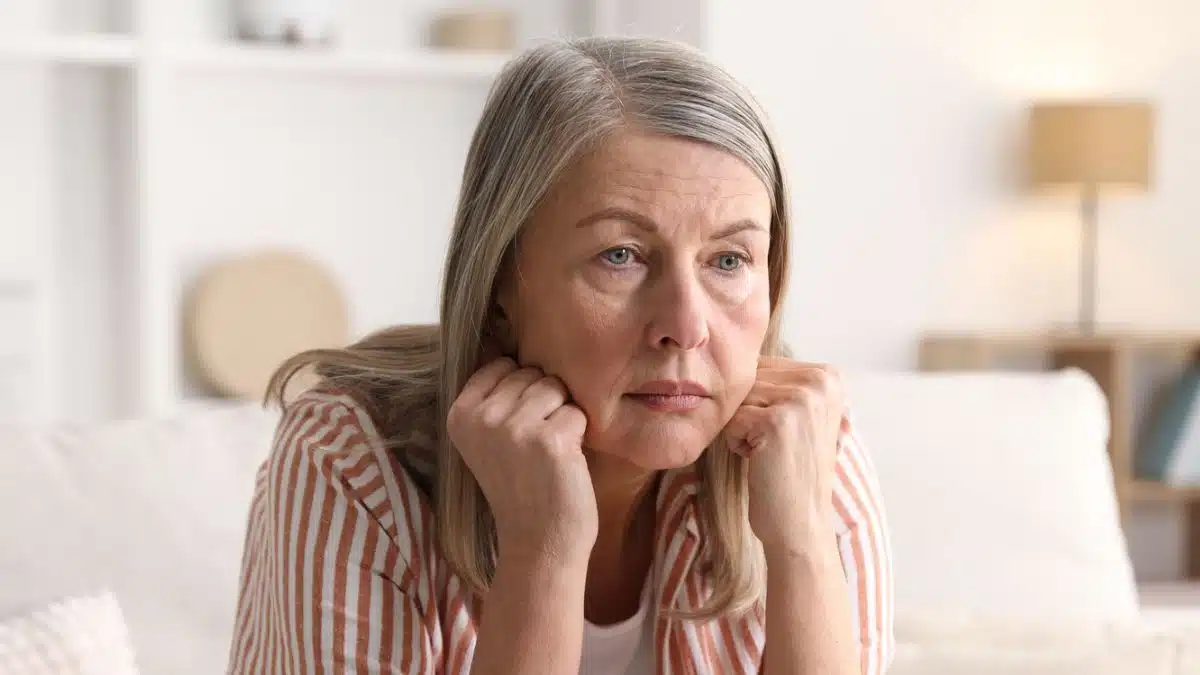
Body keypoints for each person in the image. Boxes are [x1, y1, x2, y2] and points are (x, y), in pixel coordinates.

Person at [228, 36, 893, 675]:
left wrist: (801, 541)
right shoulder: (351, 461)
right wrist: (541, 555)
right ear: (497, 286)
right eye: (621, 256)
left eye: (728, 259)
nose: (686, 327)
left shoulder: (804, 447)